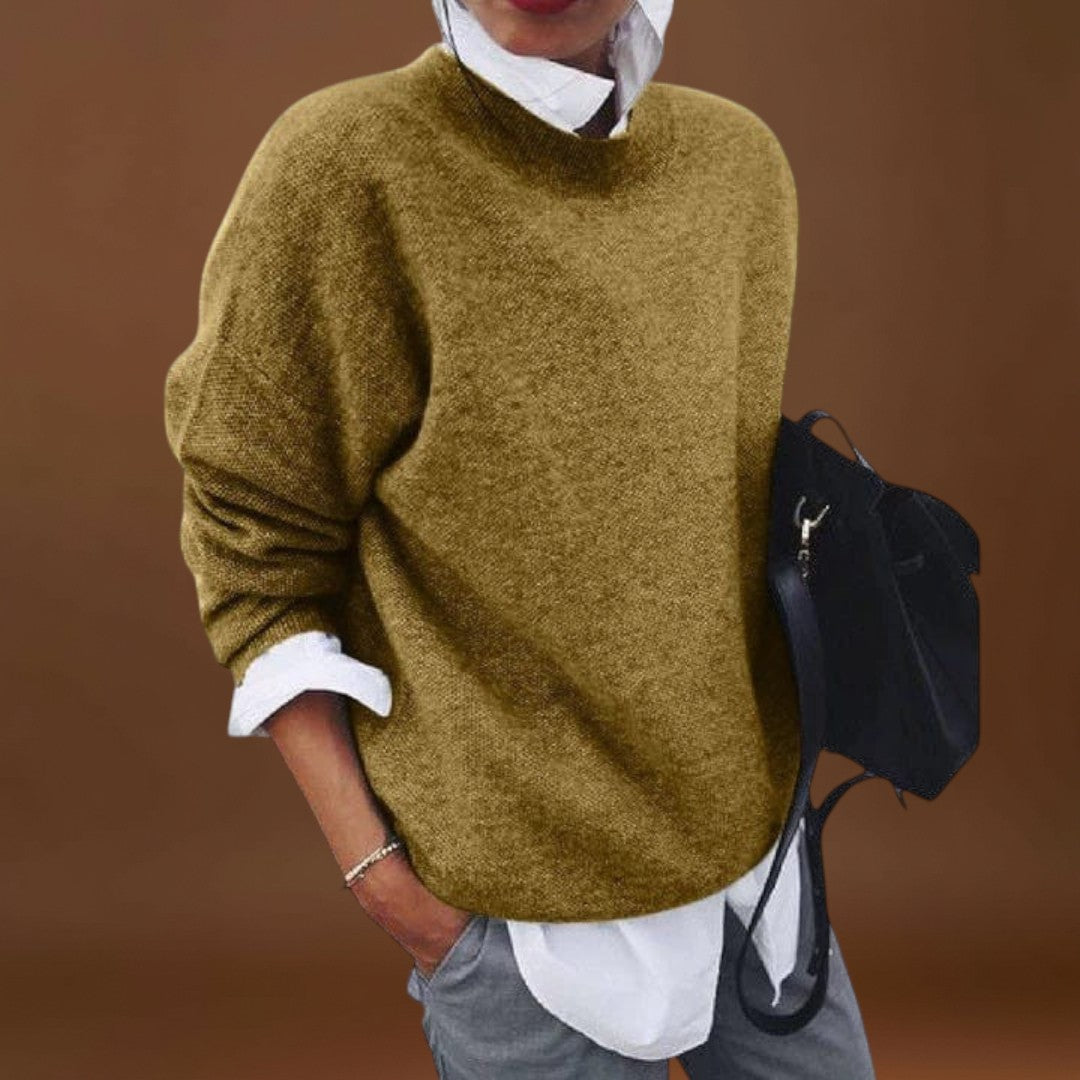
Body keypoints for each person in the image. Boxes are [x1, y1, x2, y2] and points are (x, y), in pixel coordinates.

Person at [162, 0, 877, 1076]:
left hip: (758, 877)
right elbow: (251, 554)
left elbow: (710, 521)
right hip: (514, 927)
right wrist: (384, 881)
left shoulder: (738, 168)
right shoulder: (344, 166)